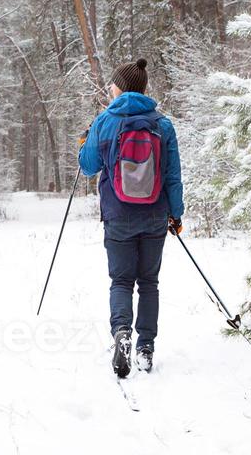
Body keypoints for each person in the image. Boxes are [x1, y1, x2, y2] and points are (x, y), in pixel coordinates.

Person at [77, 59, 183, 378]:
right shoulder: (162, 125)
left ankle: (122, 333)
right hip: (154, 217)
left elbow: (88, 167)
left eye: (113, 84)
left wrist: (85, 142)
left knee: (121, 281)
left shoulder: (105, 122)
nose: (110, 88)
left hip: (117, 216)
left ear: (120, 87)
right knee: (149, 282)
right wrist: (175, 215)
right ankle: (146, 349)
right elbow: (173, 176)